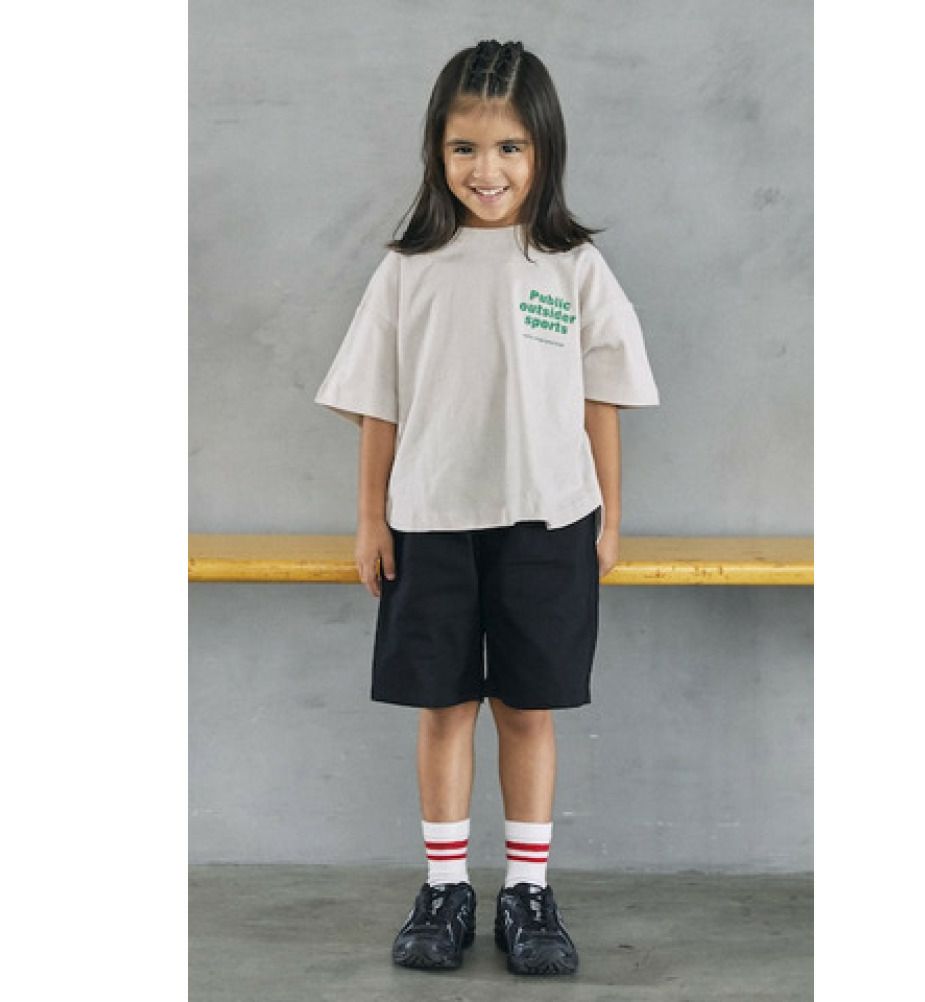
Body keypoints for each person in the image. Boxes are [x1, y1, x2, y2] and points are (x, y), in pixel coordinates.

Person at [314, 38, 660, 976]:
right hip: (429, 519)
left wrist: (608, 518)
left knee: (528, 708)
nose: (487, 169)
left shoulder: (571, 266)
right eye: (464, 147)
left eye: (510, 147)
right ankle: (444, 888)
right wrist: (371, 518)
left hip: (549, 519)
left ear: (543, 150)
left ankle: (528, 893)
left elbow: (600, 400)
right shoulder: (408, 268)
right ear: (437, 150)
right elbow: (379, 404)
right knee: (443, 708)